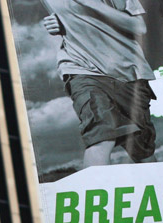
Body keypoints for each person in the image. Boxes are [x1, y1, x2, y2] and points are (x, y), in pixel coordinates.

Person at [42, 0, 156, 168]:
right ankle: (97, 190)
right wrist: (63, 20)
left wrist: (91, 6)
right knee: (101, 136)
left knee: (142, 152)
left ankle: (158, 189)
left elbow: (139, 27)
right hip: (82, 69)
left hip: (129, 72)